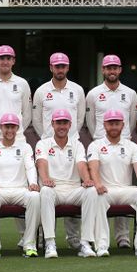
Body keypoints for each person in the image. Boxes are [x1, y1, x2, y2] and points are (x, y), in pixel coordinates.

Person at [32, 52, 86, 249]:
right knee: (46, 191)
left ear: (68, 68)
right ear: (51, 68)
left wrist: (68, 136)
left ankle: (74, 239)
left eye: (63, 66)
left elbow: (79, 119)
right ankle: (45, 239)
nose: (60, 69)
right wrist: (47, 137)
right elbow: (37, 119)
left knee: (74, 188)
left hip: (72, 144)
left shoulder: (78, 90)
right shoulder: (41, 91)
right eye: (57, 66)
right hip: (48, 145)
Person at [85, 54, 137, 248]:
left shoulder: (130, 93)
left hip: (124, 146)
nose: (112, 71)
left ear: (120, 69)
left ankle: (122, 237)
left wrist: (123, 138)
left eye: (115, 68)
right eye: (108, 68)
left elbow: (131, 121)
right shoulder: (93, 94)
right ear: (103, 70)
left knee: (123, 188)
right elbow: (91, 123)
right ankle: (101, 237)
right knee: (101, 191)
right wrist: (100, 138)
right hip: (101, 145)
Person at [36, 109, 98, 259]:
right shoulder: (43, 144)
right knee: (45, 191)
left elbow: (82, 165)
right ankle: (50, 242)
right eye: (58, 123)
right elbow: (41, 163)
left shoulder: (77, 145)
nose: (61, 126)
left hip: (73, 190)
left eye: (65, 123)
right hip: (53, 189)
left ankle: (85, 243)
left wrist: (87, 179)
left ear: (70, 125)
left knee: (91, 191)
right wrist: (45, 179)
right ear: (52, 124)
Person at [88, 109, 137, 257]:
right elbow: (93, 167)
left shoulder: (132, 146)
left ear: (122, 125)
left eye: (117, 123)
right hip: (105, 190)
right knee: (96, 195)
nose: (114, 127)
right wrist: (97, 184)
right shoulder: (95, 145)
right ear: (104, 125)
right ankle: (102, 245)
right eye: (111, 124)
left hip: (125, 190)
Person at [0, 113, 40, 258]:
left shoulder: (25, 147)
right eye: (6, 127)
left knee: (34, 196)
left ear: (17, 128)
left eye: (12, 127)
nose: (9, 130)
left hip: (20, 190)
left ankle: (29, 244)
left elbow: (30, 167)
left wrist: (33, 183)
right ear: (1, 128)